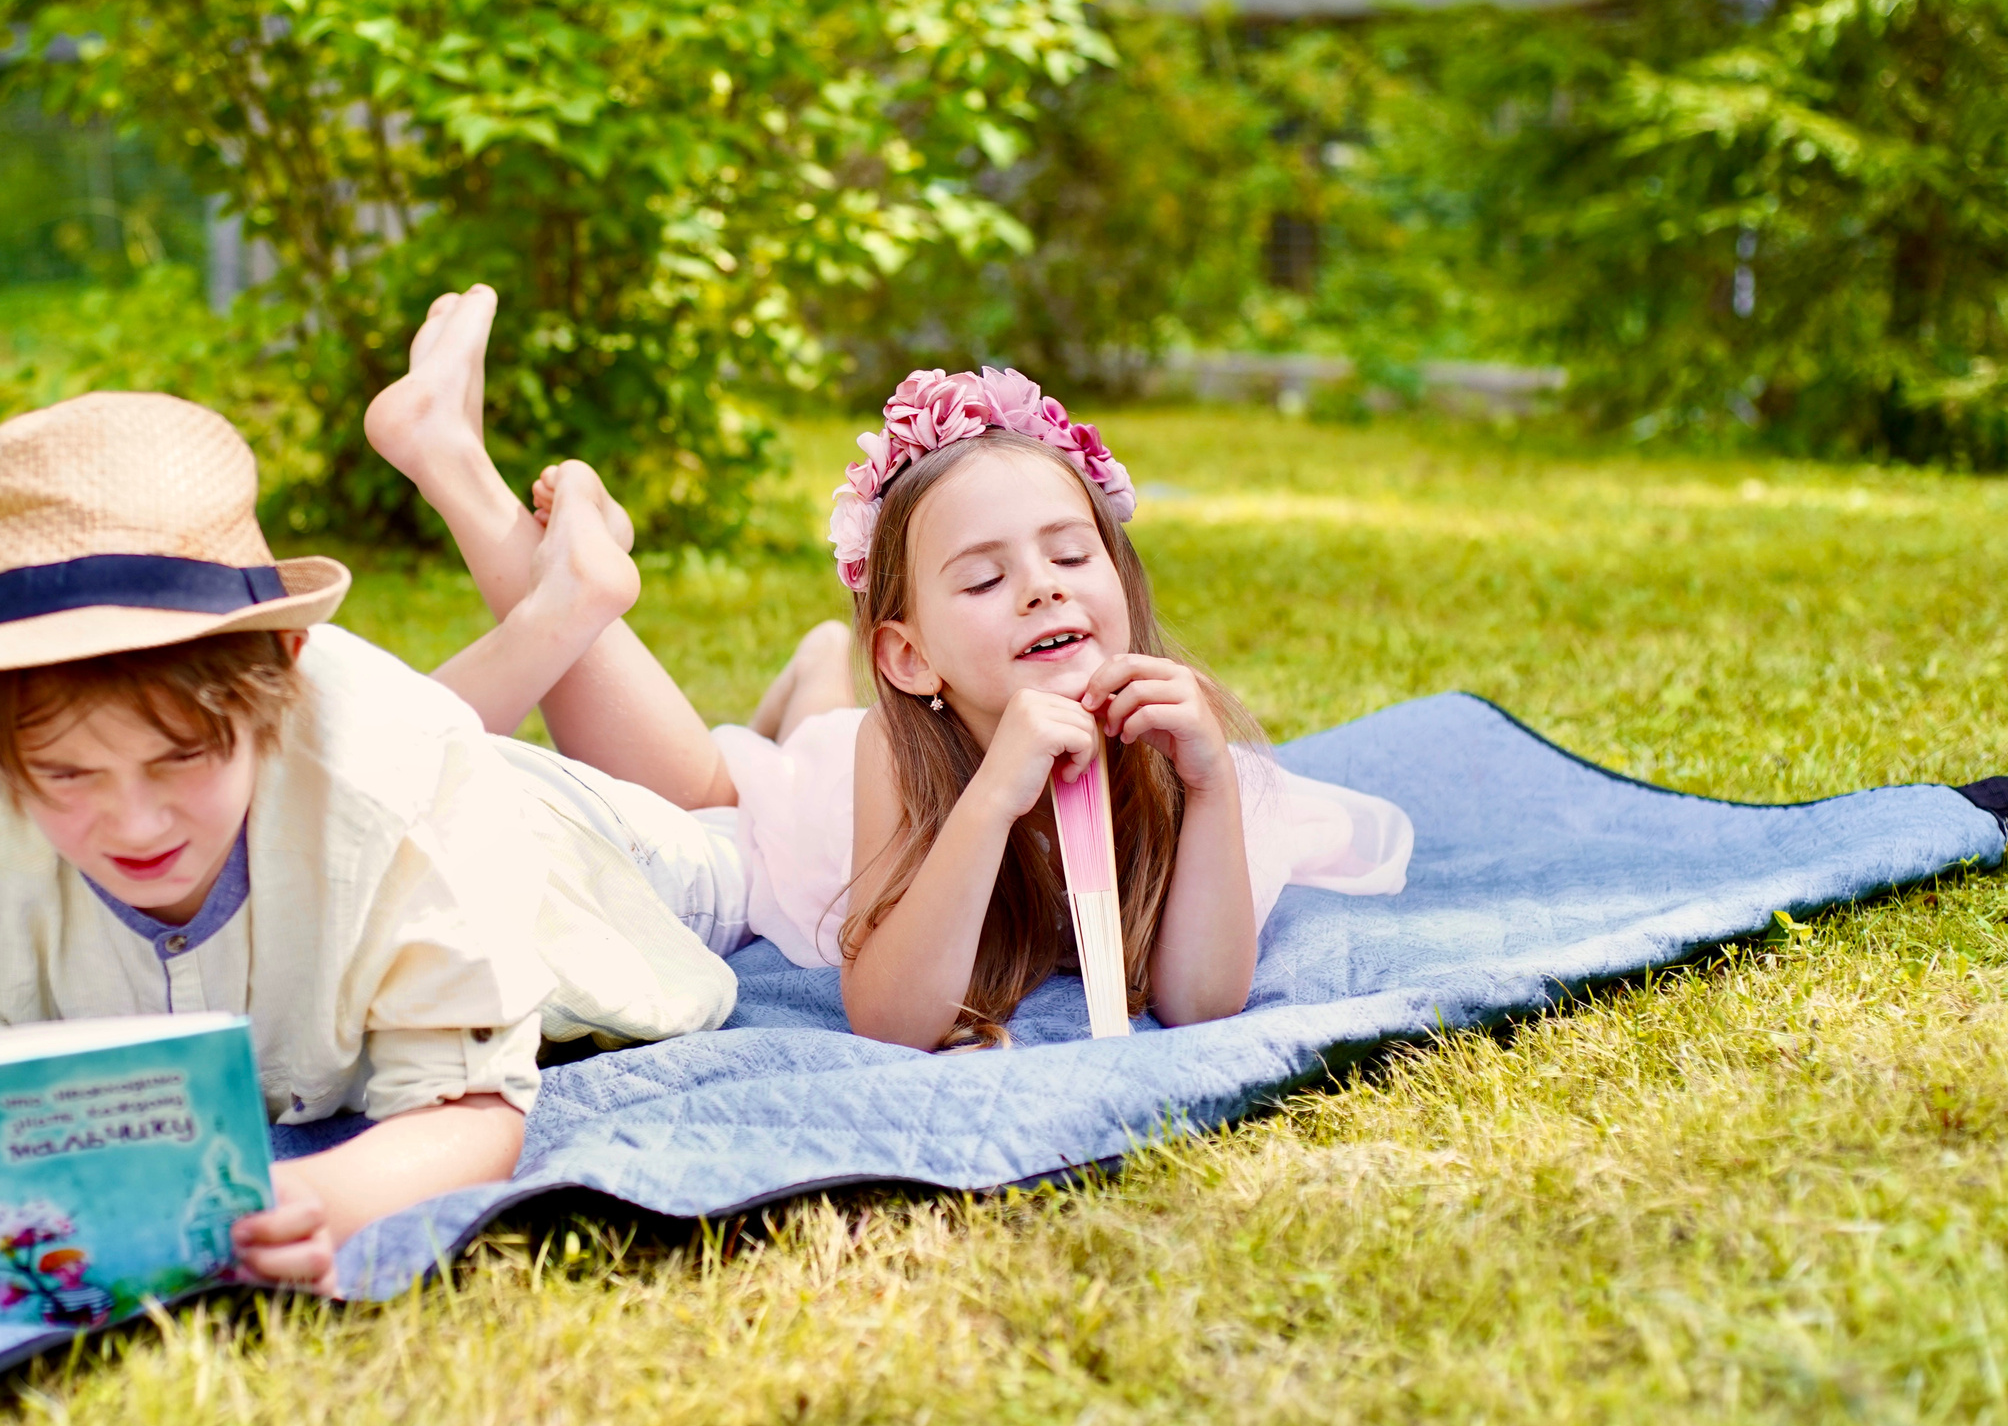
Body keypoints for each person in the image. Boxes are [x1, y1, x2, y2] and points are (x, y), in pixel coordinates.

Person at [0, 390, 763, 1293]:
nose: (132, 824)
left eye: (180, 758)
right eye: (67, 774)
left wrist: (310, 1197)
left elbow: (472, 1104)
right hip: (375, 790)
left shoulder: (407, 779)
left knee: (745, 838)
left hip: (572, 853)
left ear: (287, 663)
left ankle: (780, 701)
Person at [366, 287, 1413, 1052]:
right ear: (910, 657)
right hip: (803, 820)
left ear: (1121, 574)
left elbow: (1199, 1003)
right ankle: (451, 462)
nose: (1044, 588)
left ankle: (807, 677)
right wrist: (993, 791)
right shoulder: (895, 744)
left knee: (756, 755)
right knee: (701, 792)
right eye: (984, 577)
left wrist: (1208, 780)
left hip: (833, 752)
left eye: (1068, 552)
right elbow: (892, 1015)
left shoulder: (1174, 745)